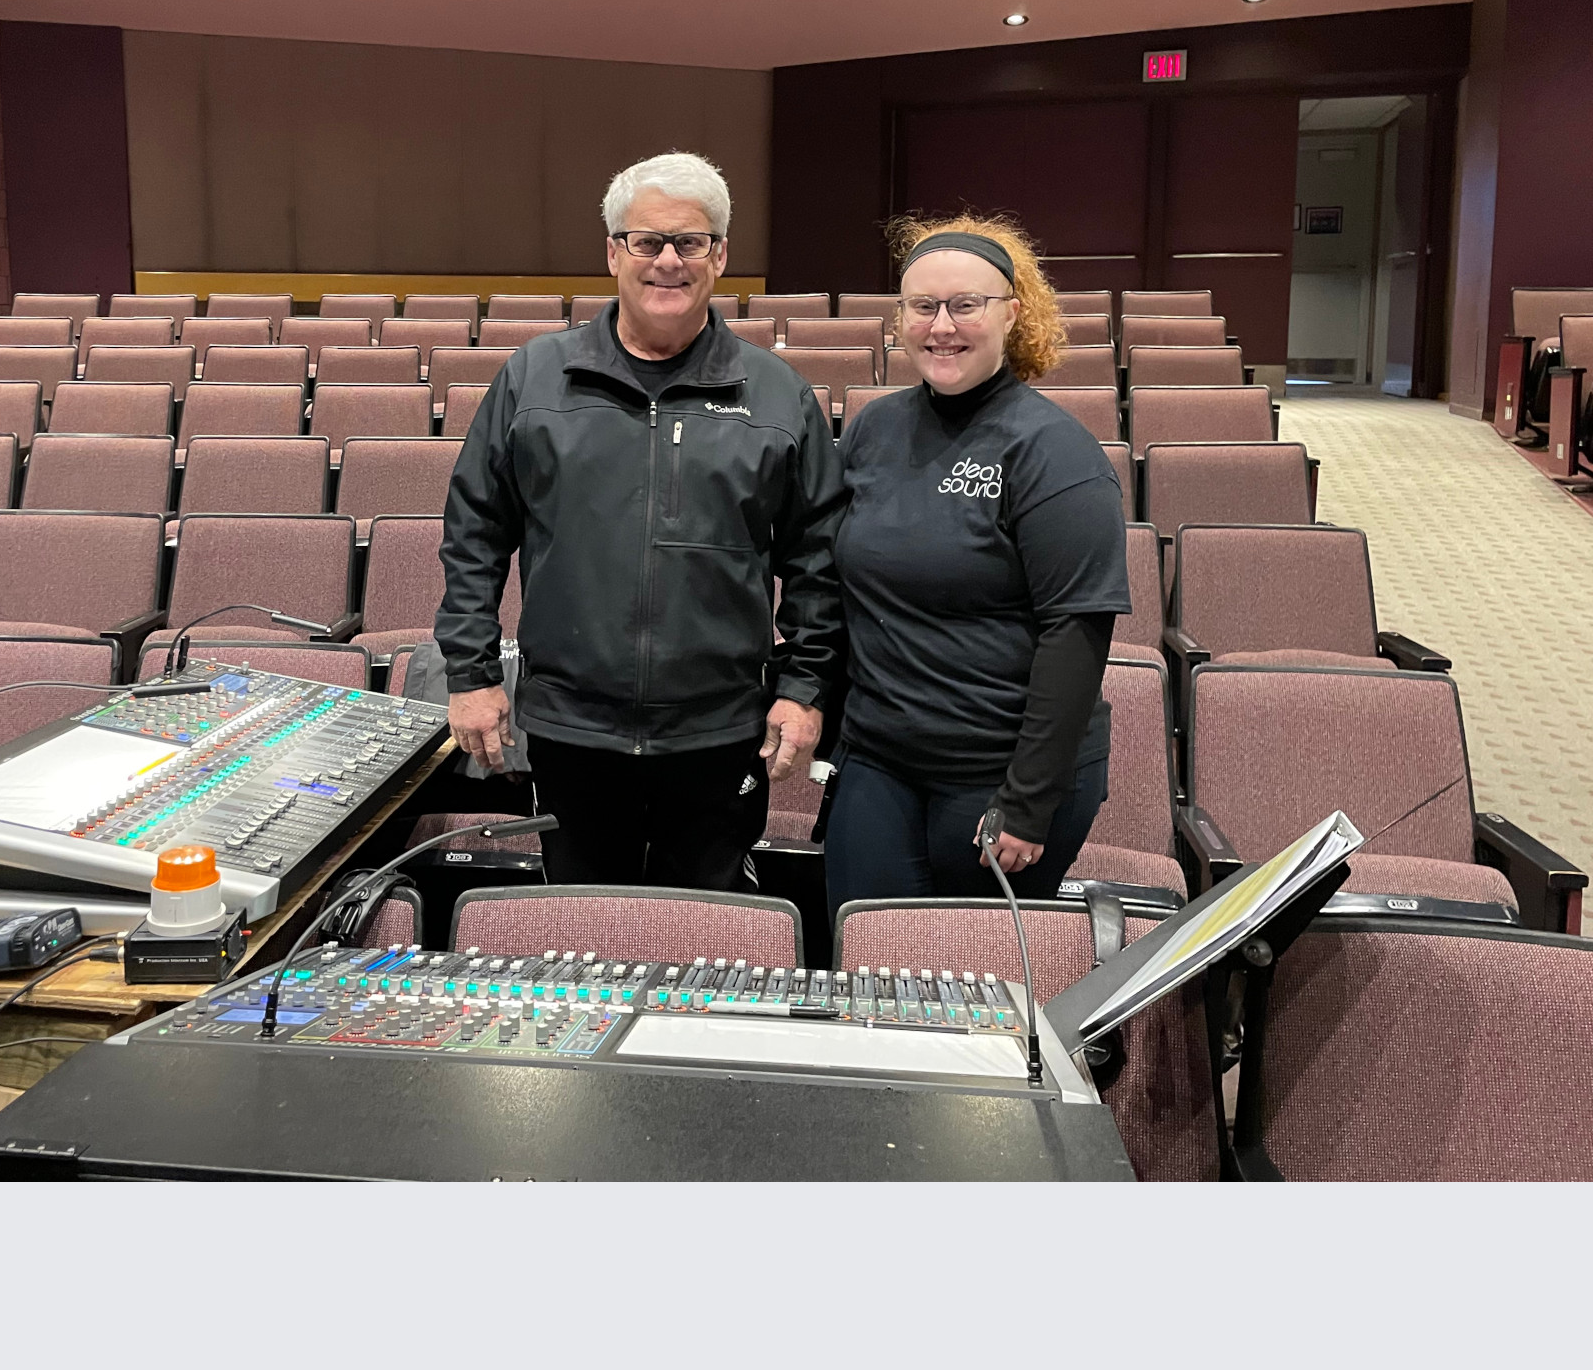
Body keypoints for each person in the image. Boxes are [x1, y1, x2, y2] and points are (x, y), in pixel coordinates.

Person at [436, 151, 846, 890]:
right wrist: (469, 673)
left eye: (689, 242)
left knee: (708, 938)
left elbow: (818, 561)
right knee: (582, 931)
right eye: (646, 240)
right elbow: (475, 535)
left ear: (719, 256)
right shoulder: (533, 378)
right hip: (571, 727)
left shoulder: (779, 396)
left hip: (720, 732)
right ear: (612, 252)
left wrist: (804, 689)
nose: (667, 261)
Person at [823, 212, 1130, 914]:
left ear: (1012, 314)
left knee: (971, 990)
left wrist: (1029, 800)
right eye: (923, 306)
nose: (942, 327)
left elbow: (1076, 635)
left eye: (966, 305)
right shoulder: (873, 427)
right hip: (880, 759)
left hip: (998, 774)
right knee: (867, 968)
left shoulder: (1054, 453)